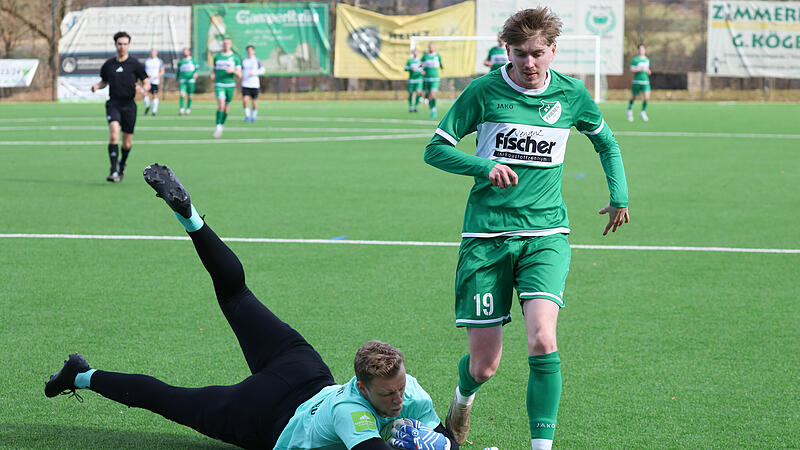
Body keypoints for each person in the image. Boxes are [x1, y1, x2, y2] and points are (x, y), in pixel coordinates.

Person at [44, 164, 459, 450]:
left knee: (236, 295)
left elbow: (444, 436)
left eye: (400, 389)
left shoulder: (410, 391)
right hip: (264, 417)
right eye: (388, 394)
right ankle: (81, 376)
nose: (399, 400)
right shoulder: (352, 413)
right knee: (171, 400)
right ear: (363, 388)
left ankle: (191, 218)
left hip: (303, 368)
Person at [423, 7, 630, 450]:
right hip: (485, 237)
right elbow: (435, 151)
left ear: (553, 50)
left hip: (546, 235)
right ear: (507, 51)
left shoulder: (572, 95)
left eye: (538, 53)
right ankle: (461, 403)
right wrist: (484, 166)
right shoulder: (483, 92)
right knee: (484, 366)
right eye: (520, 53)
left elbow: (606, 143)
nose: (529, 63)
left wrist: (620, 197)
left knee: (542, 337)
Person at [90, 31, 149, 183]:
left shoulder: (134, 64)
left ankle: (122, 164)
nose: (122, 47)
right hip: (113, 104)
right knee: (114, 134)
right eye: (119, 44)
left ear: (129, 45)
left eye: (125, 44)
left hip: (129, 105)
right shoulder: (109, 64)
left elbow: (146, 81)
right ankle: (113, 169)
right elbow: (104, 81)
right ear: (115, 45)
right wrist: (97, 86)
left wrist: (144, 89)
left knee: (127, 142)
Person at [210, 37, 242, 138]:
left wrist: (232, 71)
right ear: (222, 45)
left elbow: (239, 74)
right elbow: (214, 69)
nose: (226, 45)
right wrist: (213, 74)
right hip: (219, 84)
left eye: (228, 43)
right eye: (224, 43)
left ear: (231, 45)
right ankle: (218, 127)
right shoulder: (217, 57)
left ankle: (221, 124)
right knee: (221, 106)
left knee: (227, 108)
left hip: (230, 85)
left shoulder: (235, 58)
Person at [241, 45, 266, 123]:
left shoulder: (257, 60)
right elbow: (240, 70)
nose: (249, 51)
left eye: (251, 50)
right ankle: (247, 116)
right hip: (245, 84)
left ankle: (254, 116)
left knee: (254, 103)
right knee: (245, 100)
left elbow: (263, 70)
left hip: (254, 85)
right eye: (248, 50)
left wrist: (254, 73)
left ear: (253, 51)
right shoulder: (243, 60)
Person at [627, 43, 651, 122]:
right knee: (634, 97)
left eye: (643, 49)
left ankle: (643, 112)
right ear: (638, 50)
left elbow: (647, 69)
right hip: (637, 82)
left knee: (647, 97)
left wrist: (648, 71)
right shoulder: (635, 60)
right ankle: (629, 110)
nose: (642, 50)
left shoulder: (647, 59)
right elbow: (632, 69)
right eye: (640, 49)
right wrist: (640, 69)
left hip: (645, 81)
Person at [421, 43, 443, 119]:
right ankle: (432, 109)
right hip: (427, 79)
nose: (431, 48)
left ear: (434, 47)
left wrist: (442, 69)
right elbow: (420, 65)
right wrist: (421, 70)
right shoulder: (425, 56)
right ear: (428, 48)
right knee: (429, 96)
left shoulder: (437, 56)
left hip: (435, 79)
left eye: (432, 47)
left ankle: (433, 110)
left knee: (432, 94)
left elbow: (440, 63)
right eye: (430, 47)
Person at [177, 47, 198, 116]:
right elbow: (178, 72)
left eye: (186, 51)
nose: (185, 52)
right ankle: (181, 109)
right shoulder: (181, 61)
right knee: (182, 95)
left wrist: (195, 73)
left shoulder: (193, 60)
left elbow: (197, 69)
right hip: (183, 80)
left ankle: (188, 109)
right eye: (184, 51)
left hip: (191, 80)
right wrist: (177, 80)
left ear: (189, 52)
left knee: (190, 96)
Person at [143, 48, 165, 117]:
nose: (152, 53)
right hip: (147, 81)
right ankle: (147, 105)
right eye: (151, 52)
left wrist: (158, 76)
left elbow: (162, 71)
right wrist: (146, 75)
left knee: (154, 95)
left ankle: (154, 111)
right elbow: (142, 71)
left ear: (156, 53)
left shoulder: (159, 61)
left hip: (155, 81)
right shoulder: (147, 61)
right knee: (144, 93)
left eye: (154, 52)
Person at [404, 48, 423, 113]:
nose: (415, 53)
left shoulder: (420, 61)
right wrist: (410, 68)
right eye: (414, 52)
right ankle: (410, 106)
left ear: (418, 53)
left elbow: (423, 69)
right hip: (412, 80)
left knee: (418, 93)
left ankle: (415, 106)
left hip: (419, 80)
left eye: (416, 52)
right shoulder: (410, 61)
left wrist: (423, 72)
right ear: (413, 53)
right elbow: (405, 69)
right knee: (411, 94)